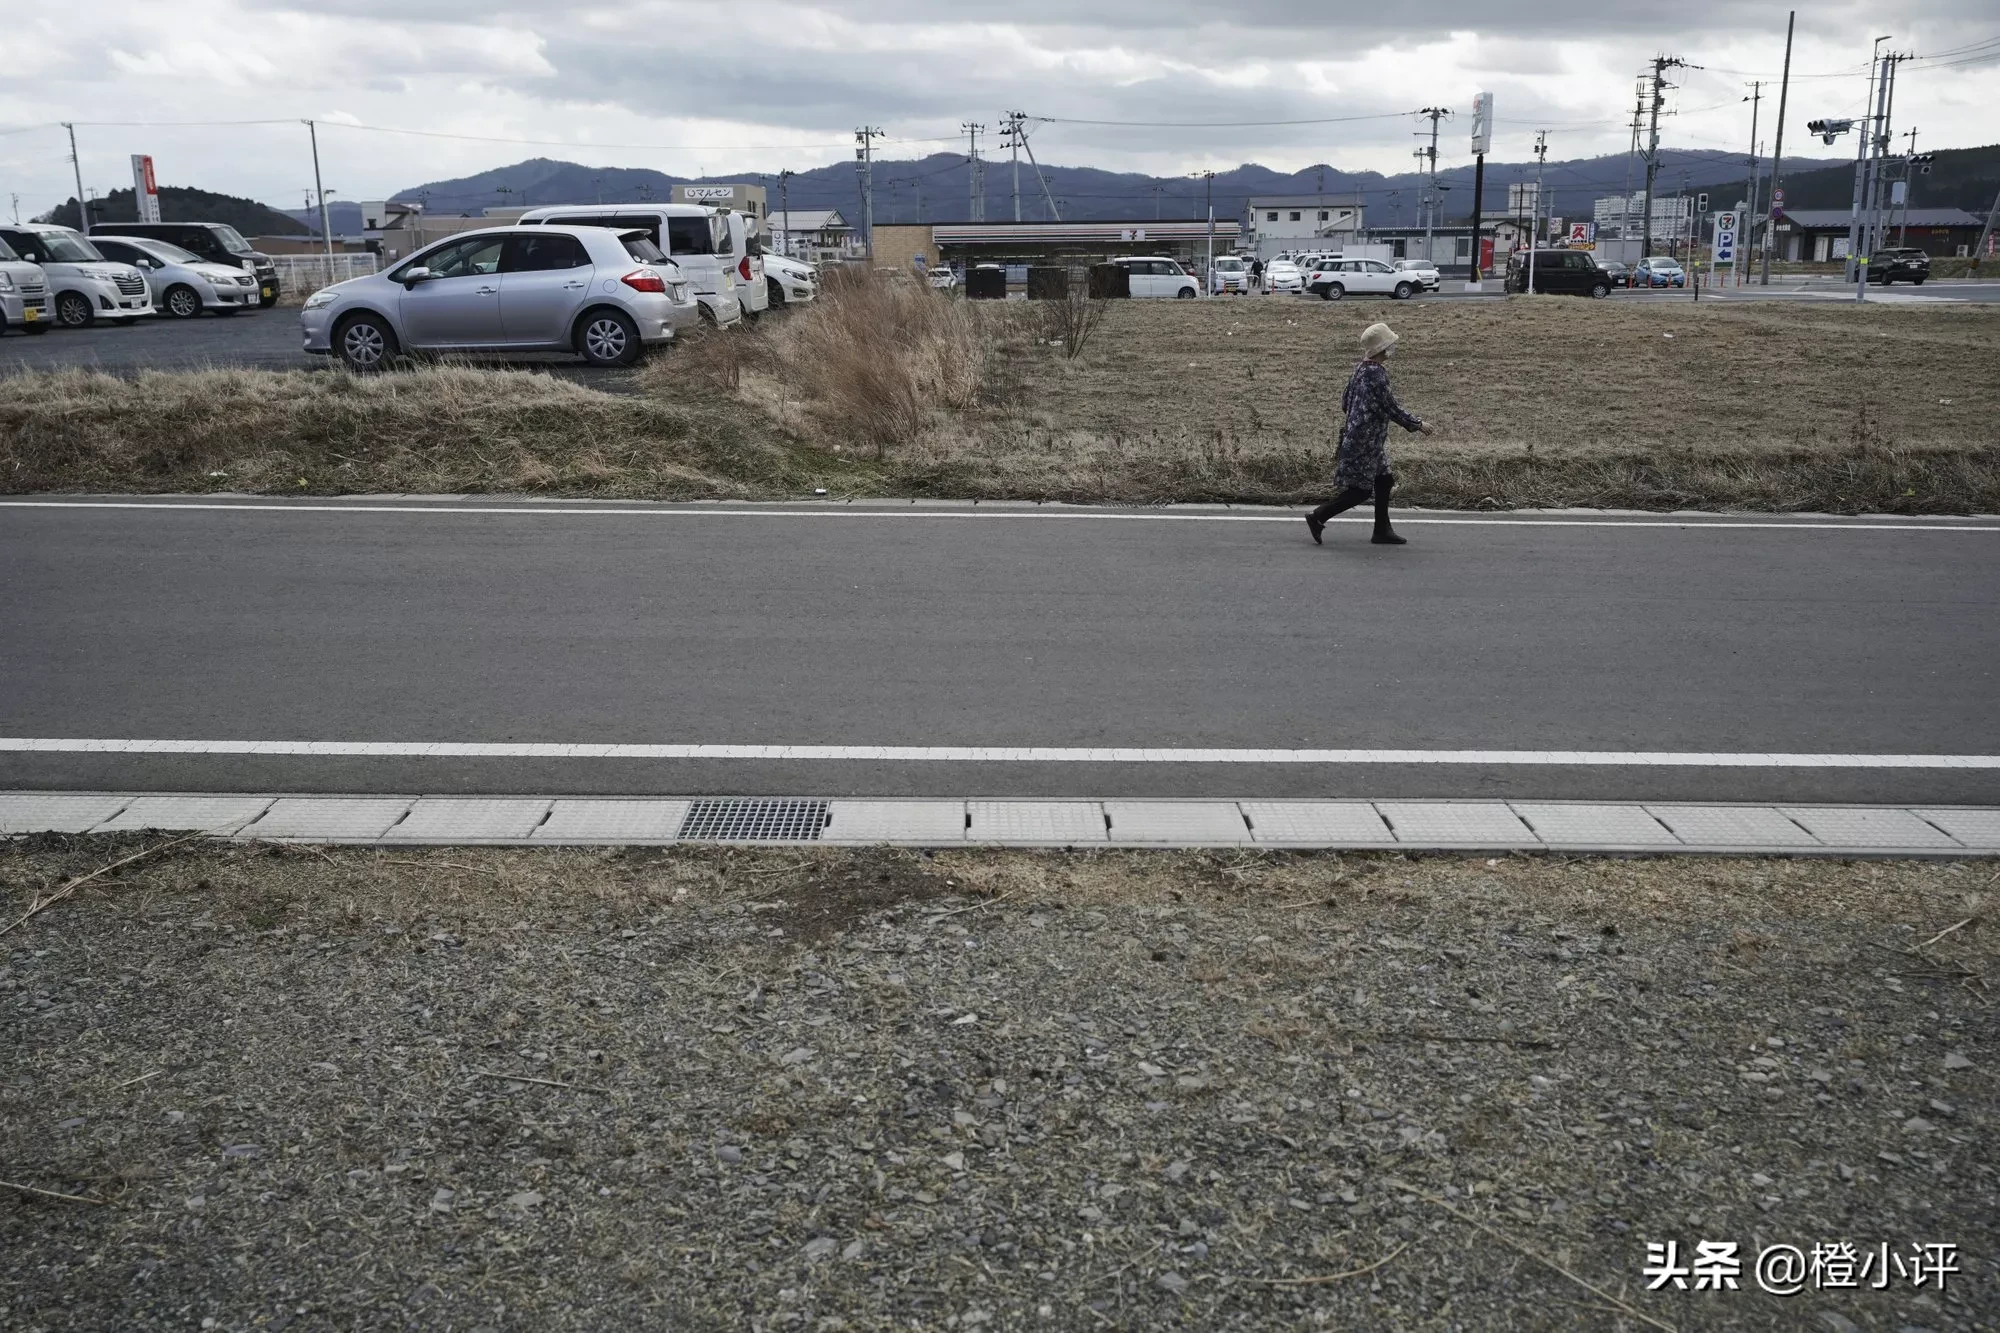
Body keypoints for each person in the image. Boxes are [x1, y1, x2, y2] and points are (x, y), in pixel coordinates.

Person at [1306, 322, 1433, 546]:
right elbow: (1390, 407)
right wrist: (1418, 424)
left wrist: (1360, 416)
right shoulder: (1376, 374)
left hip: (1363, 438)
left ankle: (1382, 530)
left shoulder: (1360, 369)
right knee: (1361, 491)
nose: (1393, 348)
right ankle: (1319, 516)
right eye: (1390, 345)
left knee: (1384, 480)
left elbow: (1345, 401)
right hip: (1365, 441)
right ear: (1382, 349)